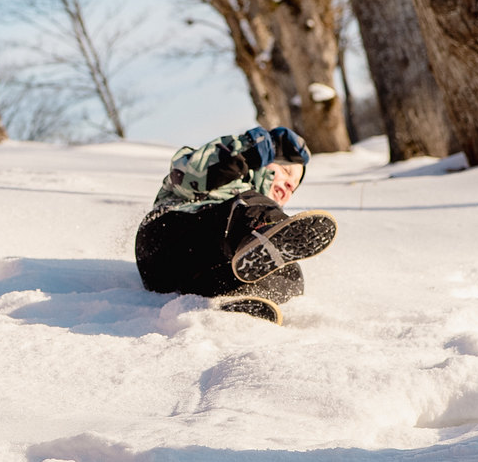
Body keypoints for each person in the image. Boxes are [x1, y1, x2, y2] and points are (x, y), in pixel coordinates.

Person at [135, 126, 337, 323]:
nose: (289, 185)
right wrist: (247, 151)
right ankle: (263, 233)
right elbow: (187, 174)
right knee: (251, 209)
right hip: (167, 236)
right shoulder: (235, 190)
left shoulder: (251, 212)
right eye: (285, 171)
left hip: (187, 273)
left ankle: (241, 300)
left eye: (294, 185)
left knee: (289, 272)